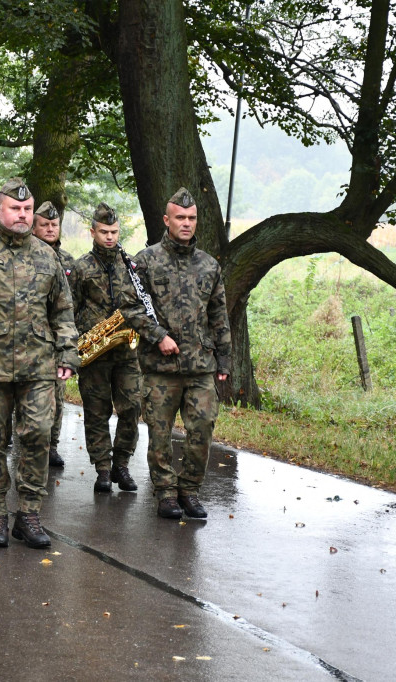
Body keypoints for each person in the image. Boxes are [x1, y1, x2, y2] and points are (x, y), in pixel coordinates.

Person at [0, 178, 79, 548]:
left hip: (38, 365)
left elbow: (62, 310)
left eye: (28, 209)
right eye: (15, 209)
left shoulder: (48, 256)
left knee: (37, 436)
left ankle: (28, 515)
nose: (23, 215)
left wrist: (67, 353)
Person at [133, 187, 231, 520]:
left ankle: (189, 489)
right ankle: (165, 492)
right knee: (159, 434)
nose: (186, 224)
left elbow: (219, 314)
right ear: (166, 220)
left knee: (202, 427)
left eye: (191, 218)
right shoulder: (145, 261)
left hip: (200, 364)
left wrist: (224, 360)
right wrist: (157, 335)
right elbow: (130, 307)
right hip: (160, 366)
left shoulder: (209, 265)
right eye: (180, 218)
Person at [70, 202, 156, 493]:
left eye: (114, 231)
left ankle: (122, 464)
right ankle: (103, 469)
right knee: (96, 412)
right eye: (104, 231)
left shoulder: (131, 266)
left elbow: (143, 304)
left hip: (126, 350)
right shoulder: (81, 268)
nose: (110, 237)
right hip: (94, 350)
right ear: (92, 231)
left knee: (132, 407)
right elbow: (69, 309)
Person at [31, 200, 75, 468]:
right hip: (32, 338)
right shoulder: (28, 254)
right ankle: (31, 445)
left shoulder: (69, 261)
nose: (49, 229)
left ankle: (52, 446)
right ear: (34, 228)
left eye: (54, 224)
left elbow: (73, 302)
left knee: (57, 398)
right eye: (44, 224)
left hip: (58, 339)